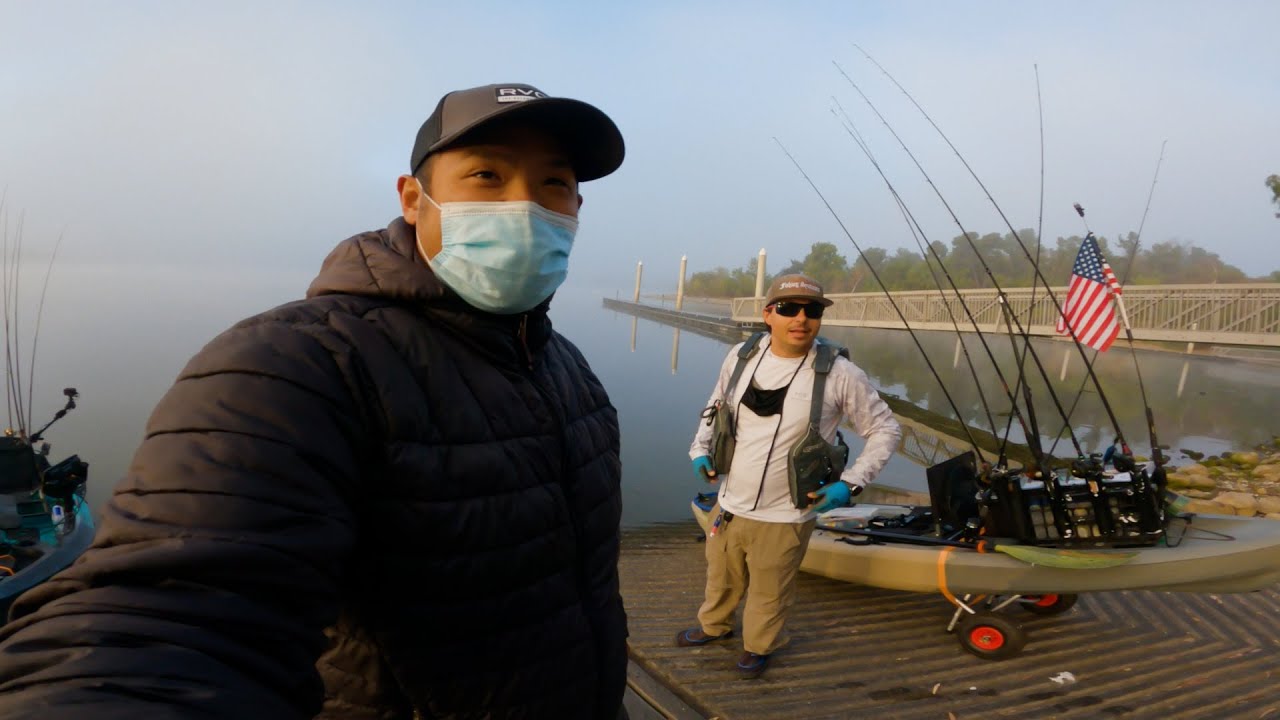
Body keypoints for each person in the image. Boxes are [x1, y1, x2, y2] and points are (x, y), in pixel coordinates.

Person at [0, 83, 629, 719]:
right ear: (414, 200)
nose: (524, 207)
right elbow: (167, 613)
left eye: (554, 184)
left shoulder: (565, 366)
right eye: (487, 175)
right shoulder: (295, 364)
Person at [679, 273, 901, 679]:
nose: (801, 318)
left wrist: (850, 483)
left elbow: (886, 429)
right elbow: (715, 405)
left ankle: (759, 646)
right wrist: (699, 449)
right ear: (768, 314)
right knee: (721, 576)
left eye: (812, 310)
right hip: (729, 502)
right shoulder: (741, 356)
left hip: (786, 513)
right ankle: (714, 627)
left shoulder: (840, 373)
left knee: (770, 588)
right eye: (788, 308)